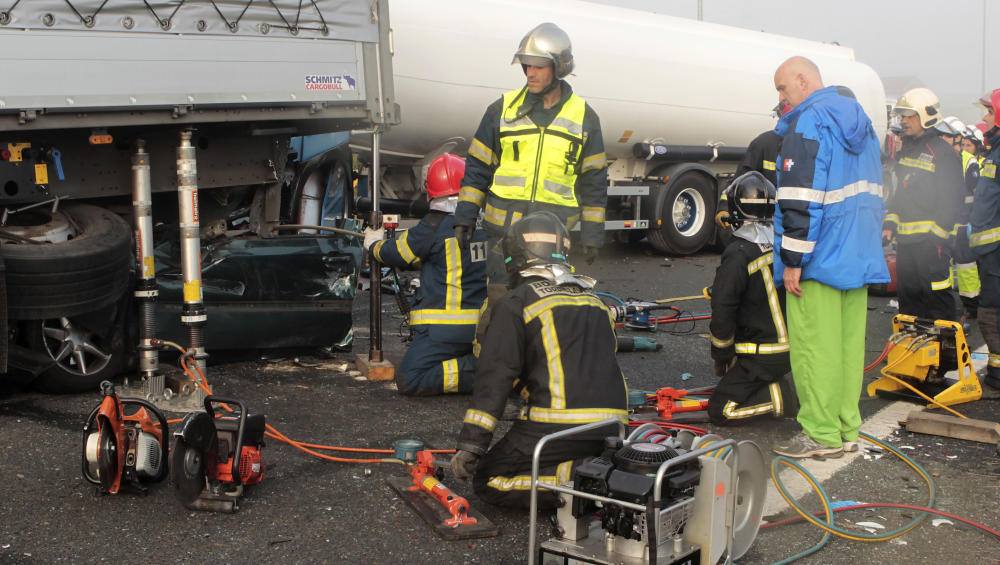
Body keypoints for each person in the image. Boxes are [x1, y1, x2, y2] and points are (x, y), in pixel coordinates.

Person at [449, 212, 627, 508]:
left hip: (556, 424)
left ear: (515, 256)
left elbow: (494, 378)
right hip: (614, 427)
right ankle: (597, 467)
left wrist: (471, 446)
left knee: (490, 479)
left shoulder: (517, 302)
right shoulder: (595, 301)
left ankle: (584, 485)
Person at [769, 56, 889, 459]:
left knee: (814, 349)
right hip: (856, 256)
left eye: (783, 88)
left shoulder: (809, 123)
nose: (782, 98)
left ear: (803, 80)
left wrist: (793, 261)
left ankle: (820, 434)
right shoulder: (863, 125)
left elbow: (800, 199)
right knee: (847, 350)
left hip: (818, 259)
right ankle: (844, 427)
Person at [453, 23, 609, 305]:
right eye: (526, 65)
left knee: (548, 305)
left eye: (538, 66)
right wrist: (464, 216)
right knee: (500, 304)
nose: (530, 73)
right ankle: (495, 350)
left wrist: (592, 235)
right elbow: (477, 168)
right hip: (503, 234)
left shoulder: (584, 117)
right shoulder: (502, 110)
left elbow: (594, 182)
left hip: (553, 237)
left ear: (559, 67)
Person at [365, 154, 487, 395]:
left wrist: (373, 244)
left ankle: (484, 374)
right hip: (480, 329)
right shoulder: (481, 225)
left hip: (443, 329)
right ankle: (495, 369)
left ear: (431, 190)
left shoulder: (433, 226)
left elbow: (397, 253)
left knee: (412, 378)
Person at [707, 171, 798, 424]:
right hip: (793, 349)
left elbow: (723, 308)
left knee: (721, 410)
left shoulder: (738, 253)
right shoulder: (784, 246)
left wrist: (721, 356)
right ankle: (780, 385)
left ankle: (782, 397)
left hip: (762, 356)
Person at [884, 88, 964, 322]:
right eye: (903, 116)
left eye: (910, 116)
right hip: (907, 245)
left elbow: (952, 200)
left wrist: (937, 239)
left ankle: (943, 355)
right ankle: (913, 355)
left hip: (932, 247)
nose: (904, 121)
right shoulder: (908, 152)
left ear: (926, 117)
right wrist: (890, 224)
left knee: (936, 299)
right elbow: (900, 194)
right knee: (908, 301)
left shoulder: (943, 153)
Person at [969, 88, 1000, 391]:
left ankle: (998, 373)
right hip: (990, 250)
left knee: (993, 311)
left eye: (989, 112)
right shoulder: (995, 152)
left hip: (997, 252)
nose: (983, 118)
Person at [715, 102, 788, 228]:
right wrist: (724, 209)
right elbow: (739, 182)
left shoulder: (811, 146)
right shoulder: (763, 144)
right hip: (764, 224)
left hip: (795, 224)